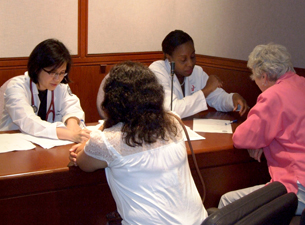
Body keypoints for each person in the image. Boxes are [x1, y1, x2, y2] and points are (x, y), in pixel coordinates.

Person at [69, 61, 208, 224]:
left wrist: (91, 143)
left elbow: (83, 163)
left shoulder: (107, 140)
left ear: (112, 100)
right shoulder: (173, 121)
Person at [218, 43, 305, 215]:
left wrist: (260, 140)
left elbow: (241, 138)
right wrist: (265, 140)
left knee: (226, 202)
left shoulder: (273, 96)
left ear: (264, 77)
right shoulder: (302, 83)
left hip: (297, 188)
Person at [0, 39, 90, 143]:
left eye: (62, 73)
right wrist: (70, 134)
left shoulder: (60, 86)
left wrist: (73, 125)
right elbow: (28, 121)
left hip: (46, 146)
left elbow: (72, 107)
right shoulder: (16, 86)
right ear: (37, 67)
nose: (58, 78)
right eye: (52, 72)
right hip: (14, 145)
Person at [149, 30, 248, 118]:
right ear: (169, 58)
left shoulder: (196, 72)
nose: (190, 64)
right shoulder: (157, 71)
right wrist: (206, 90)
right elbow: (172, 110)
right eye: (183, 60)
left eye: (192, 57)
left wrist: (232, 99)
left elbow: (217, 98)